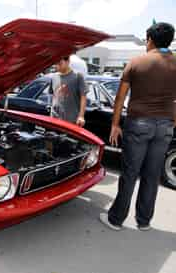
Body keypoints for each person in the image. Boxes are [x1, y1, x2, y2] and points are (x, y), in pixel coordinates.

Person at [100, 22, 176, 231]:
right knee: (152, 175)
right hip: (165, 126)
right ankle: (144, 221)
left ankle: (116, 219)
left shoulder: (136, 62)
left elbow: (120, 96)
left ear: (150, 39)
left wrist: (115, 124)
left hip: (139, 123)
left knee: (130, 173)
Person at [50, 56, 87, 126]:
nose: (57, 66)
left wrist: (81, 116)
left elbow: (83, 97)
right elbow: (53, 95)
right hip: (55, 119)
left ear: (68, 61)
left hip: (72, 120)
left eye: (60, 64)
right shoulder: (53, 77)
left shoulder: (78, 76)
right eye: (55, 64)